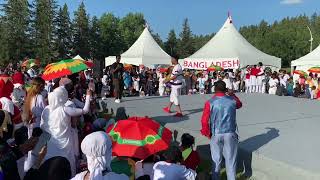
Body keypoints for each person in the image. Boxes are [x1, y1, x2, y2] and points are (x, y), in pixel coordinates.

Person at [40, 86, 91, 176]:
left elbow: (42, 126)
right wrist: (88, 96)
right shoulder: (65, 109)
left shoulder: (46, 109)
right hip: (66, 142)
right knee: (68, 162)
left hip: (51, 142)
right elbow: (85, 110)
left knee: (52, 163)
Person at [200, 80, 242, 180]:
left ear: (215, 89)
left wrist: (207, 133)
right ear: (225, 89)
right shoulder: (232, 100)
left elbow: (204, 120)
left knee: (216, 159)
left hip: (216, 133)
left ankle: (215, 178)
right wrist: (233, 94)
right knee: (231, 159)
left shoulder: (210, 102)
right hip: (230, 133)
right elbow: (239, 105)